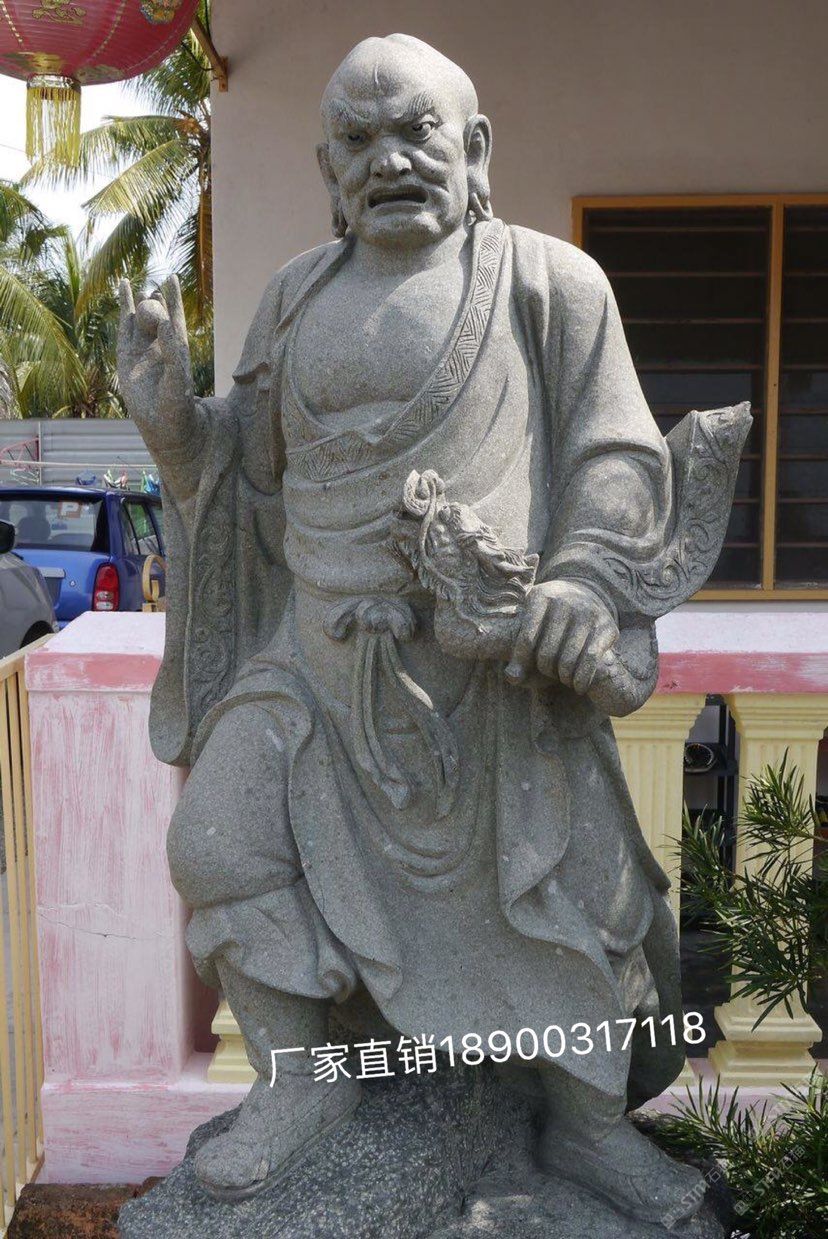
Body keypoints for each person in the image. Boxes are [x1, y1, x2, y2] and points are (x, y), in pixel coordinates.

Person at [118, 33, 747, 1225]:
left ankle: (586, 1131)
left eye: (417, 131)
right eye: (357, 140)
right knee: (217, 841)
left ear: (477, 147)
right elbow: (250, 481)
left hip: (493, 666)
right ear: (327, 167)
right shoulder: (293, 297)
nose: (390, 160)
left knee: (573, 904)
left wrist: (579, 581)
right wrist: (174, 431)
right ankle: (303, 1082)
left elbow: (614, 457)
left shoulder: (549, 284)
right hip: (317, 665)